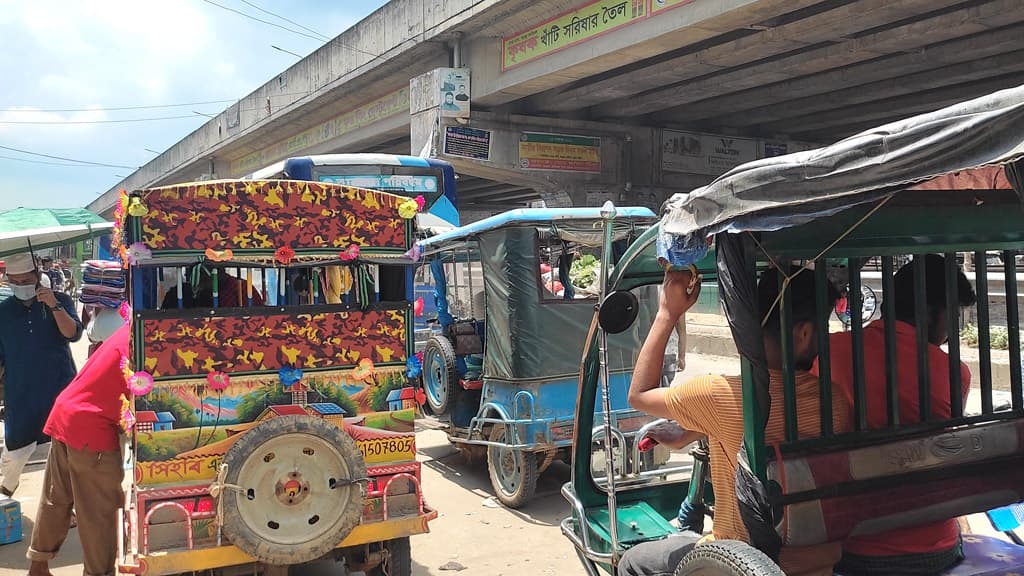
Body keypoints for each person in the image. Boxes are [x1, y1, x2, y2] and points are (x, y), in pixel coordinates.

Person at [620, 267, 849, 576]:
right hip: (819, 562)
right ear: (805, 332)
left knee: (633, 561)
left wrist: (667, 312)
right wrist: (691, 431)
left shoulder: (721, 394)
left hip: (739, 562)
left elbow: (639, 394)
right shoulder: (834, 401)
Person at [827, 255, 976, 575]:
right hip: (933, 549)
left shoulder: (832, 352)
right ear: (930, 312)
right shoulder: (954, 373)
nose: (951, 330)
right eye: (952, 316)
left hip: (849, 545)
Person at [27, 323, 130, 576]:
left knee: (57, 497)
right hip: (91, 426)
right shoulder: (149, 340)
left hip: (67, 412)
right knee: (100, 514)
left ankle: (38, 565)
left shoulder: (130, 330)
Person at [0, 253, 82, 497]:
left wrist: (53, 305)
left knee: (65, 451)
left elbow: (73, 334)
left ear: (37, 278)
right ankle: (7, 490)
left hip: (59, 388)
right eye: (15, 281)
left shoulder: (60, 300)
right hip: (21, 393)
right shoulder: (3, 312)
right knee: (15, 451)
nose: (21, 286)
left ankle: (66, 506)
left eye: (26, 281)